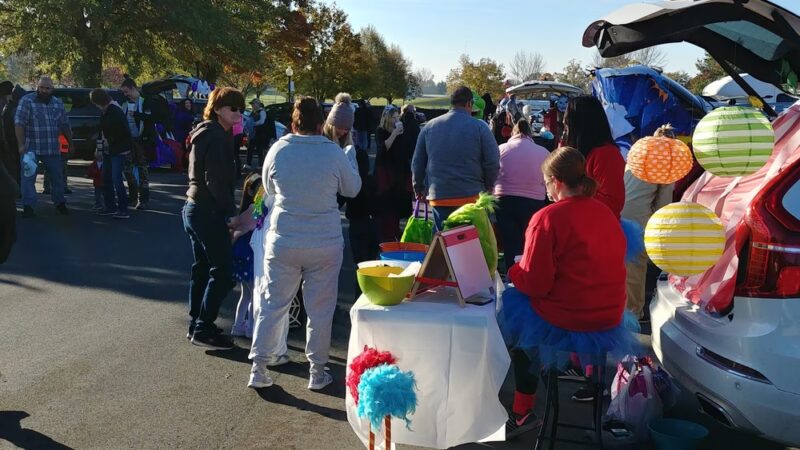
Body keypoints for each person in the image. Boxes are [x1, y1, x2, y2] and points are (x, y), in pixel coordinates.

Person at [501, 146, 631, 438]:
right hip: (609, 313)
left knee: (517, 325)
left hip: (570, 316)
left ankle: (523, 411)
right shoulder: (606, 213)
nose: (545, 189)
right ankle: (569, 369)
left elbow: (536, 283)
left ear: (556, 181)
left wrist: (513, 270)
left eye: (545, 182)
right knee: (532, 313)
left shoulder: (547, 218)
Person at [248, 97, 361, 390]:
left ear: (294, 121)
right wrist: (349, 154)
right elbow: (352, 188)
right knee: (320, 309)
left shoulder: (278, 149)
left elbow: (269, 188)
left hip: (284, 238)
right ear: (321, 122)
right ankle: (317, 370)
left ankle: (259, 367)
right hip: (324, 239)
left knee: (273, 304)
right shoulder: (334, 153)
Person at [183, 87, 245, 350]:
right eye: (233, 108)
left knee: (202, 268)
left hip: (193, 207)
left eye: (241, 109)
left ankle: (196, 322)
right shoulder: (217, 136)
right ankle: (203, 327)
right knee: (223, 271)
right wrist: (231, 215)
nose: (238, 113)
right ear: (218, 108)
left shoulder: (206, 131)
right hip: (207, 210)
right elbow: (216, 181)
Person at [412, 86, 500, 230]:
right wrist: (489, 185)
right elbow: (493, 161)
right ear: (469, 104)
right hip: (472, 197)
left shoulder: (429, 127)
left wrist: (418, 188)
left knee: (442, 244)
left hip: (439, 196)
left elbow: (417, 163)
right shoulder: (480, 127)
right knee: (470, 245)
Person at [622, 125, 675, 321]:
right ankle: (634, 313)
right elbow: (663, 205)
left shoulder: (637, 155)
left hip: (618, 212)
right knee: (636, 267)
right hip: (638, 219)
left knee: (622, 266)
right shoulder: (666, 165)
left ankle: (622, 308)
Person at [324, 93, 378, 270]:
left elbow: (352, 187)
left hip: (339, 208)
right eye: (340, 127)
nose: (344, 132)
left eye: (347, 128)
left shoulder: (352, 150)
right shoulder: (324, 144)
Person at [493, 119, 549, 271]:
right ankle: (528, 271)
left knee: (510, 241)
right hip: (533, 201)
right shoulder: (543, 152)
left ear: (513, 133)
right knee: (529, 240)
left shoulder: (501, 149)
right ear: (530, 133)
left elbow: (492, 173)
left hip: (504, 200)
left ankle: (512, 273)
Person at [15, 76, 73, 217]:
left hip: (52, 148)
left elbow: (65, 125)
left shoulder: (57, 103)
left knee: (57, 176)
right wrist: (21, 144)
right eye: (42, 87)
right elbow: (19, 123)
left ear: (52, 89)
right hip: (30, 149)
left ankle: (60, 203)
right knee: (28, 178)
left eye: (47, 88)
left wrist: (71, 144)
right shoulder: (27, 101)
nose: (44, 90)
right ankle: (28, 206)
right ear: (37, 87)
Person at [562, 95, 626, 218]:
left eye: (568, 125)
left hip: (597, 228)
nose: (566, 131)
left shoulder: (607, 154)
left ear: (580, 125)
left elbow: (613, 203)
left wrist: (572, 191)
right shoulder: (578, 152)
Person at [90, 88, 132, 220]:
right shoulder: (106, 111)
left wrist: (110, 141)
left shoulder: (115, 111)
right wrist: (100, 146)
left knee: (116, 178)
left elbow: (124, 131)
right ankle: (110, 206)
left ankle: (123, 208)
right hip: (109, 149)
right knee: (106, 177)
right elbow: (102, 131)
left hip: (118, 149)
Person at [230, 172, 263, 339]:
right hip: (250, 257)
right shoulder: (256, 210)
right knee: (254, 294)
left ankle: (238, 325)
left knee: (246, 294)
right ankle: (250, 328)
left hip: (240, 256)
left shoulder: (243, 211)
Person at [120, 76, 160, 210]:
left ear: (133, 88)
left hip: (142, 141)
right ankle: (132, 197)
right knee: (128, 169)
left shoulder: (146, 101)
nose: (125, 95)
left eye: (126, 92)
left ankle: (143, 199)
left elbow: (151, 118)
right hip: (128, 141)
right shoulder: (124, 103)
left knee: (142, 169)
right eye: (124, 93)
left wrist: (136, 115)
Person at [373, 105, 412, 241]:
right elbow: (382, 150)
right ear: (387, 118)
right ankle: (387, 236)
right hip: (386, 173)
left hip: (400, 171)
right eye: (393, 117)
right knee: (387, 208)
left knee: (398, 206)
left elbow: (405, 150)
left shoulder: (402, 131)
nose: (396, 120)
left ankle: (395, 232)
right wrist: (394, 133)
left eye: (397, 117)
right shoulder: (381, 131)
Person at [2, 84, 24, 188]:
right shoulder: (13, 109)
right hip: (12, 141)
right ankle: (16, 188)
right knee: (15, 166)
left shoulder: (10, 107)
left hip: (11, 141)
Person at [247, 99, 269, 168]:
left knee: (260, 150)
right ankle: (248, 164)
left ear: (257, 104)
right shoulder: (253, 112)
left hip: (260, 134)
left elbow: (262, 121)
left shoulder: (262, 112)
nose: (252, 106)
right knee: (250, 149)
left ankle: (261, 165)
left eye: (253, 104)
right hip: (253, 134)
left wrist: (253, 124)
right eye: (252, 104)